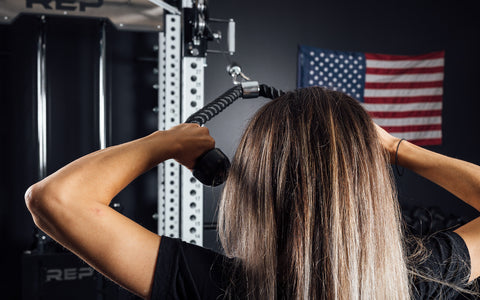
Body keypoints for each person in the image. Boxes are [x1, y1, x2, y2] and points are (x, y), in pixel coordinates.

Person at [25, 86, 480, 299]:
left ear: (255, 181)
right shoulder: (419, 278)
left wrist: (163, 142)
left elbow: (55, 200)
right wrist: (397, 149)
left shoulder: (214, 288)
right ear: (368, 185)